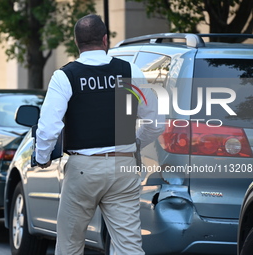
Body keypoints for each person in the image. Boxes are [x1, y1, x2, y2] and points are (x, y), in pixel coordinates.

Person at [35, 14, 163, 255]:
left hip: (83, 169)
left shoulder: (65, 76)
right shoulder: (130, 71)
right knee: (128, 246)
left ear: (77, 43)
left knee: (70, 244)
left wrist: (42, 157)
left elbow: (49, 127)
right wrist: (134, 146)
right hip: (123, 167)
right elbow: (156, 122)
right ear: (105, 40)